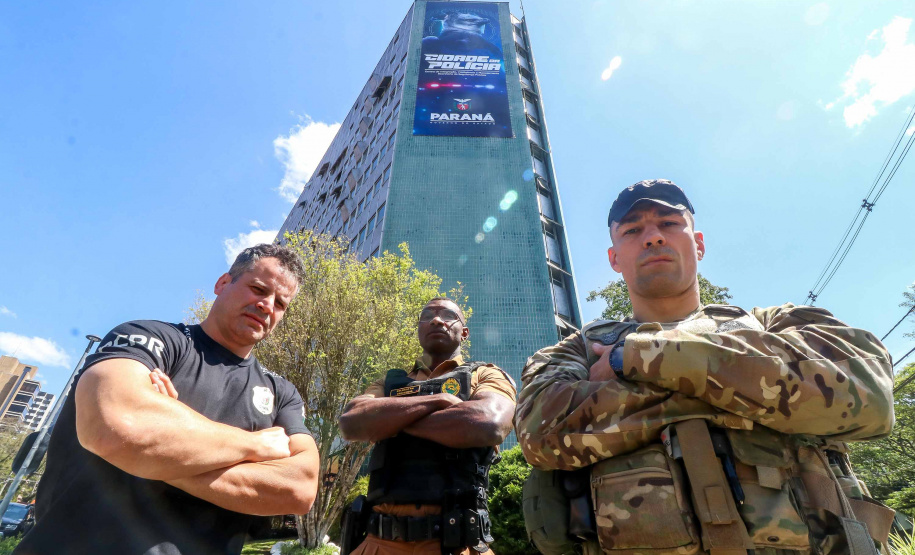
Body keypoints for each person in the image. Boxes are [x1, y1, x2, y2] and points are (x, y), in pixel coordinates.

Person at [515, 180, 896, 555]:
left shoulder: (778, 322)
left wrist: (631, 358)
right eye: (633, 230)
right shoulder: (577, 351)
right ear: (615, 258)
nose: (653, 238)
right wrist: (747, 389)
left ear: (698, 244)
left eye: (668, 223)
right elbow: (541, 435)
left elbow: (869, 396)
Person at [16, 244, 319, 555]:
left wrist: (158, 448)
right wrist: (255, 447)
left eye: (281, 303)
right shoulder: (150, 339)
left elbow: (300, 489)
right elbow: (113, 430)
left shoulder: (282, 393)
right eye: (258, 288)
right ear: (223, 283)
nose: (267, 305)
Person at [338, 297, 516, 555]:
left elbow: (488, 423)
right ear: (419, 329)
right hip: (378, 544)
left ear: (464, 332)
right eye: (427, 315)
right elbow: (352, 422)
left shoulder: (486, 375)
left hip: (458, 545)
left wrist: (389, 421)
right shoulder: (387, 382)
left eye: (447, 314)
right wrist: (440, 400)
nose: (435, 319)